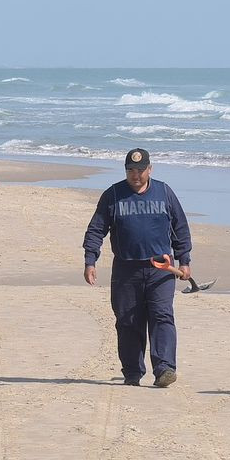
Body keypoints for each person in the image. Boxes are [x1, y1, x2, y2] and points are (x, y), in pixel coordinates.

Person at [82, 148, 193, 388]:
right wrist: (90, 260)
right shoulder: (113, 195)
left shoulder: (164, 193)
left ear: (150, 169)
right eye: (131, 170)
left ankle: (164, 369)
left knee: (162, 316)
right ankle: (132, 372)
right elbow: (96, 230)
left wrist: (184, 260)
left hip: (161, 270)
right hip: (125, 270)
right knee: (128, 321)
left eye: (141, 170)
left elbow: (180, 227)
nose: (136, 175)